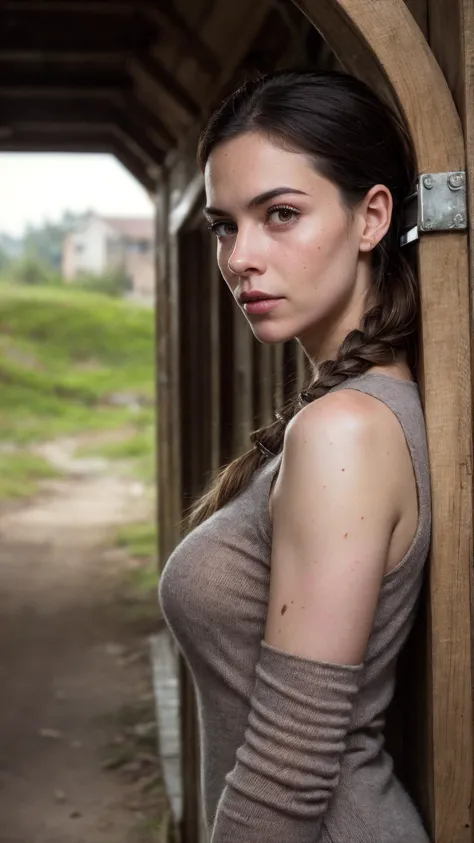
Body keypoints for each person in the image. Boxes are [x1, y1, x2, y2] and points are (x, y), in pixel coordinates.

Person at [159, 69, 431, 843]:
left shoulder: (345, 431)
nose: (241, 256)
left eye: (280, 214)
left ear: (371, 216)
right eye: (223, 225)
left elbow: (291, 765)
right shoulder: (351, 409)